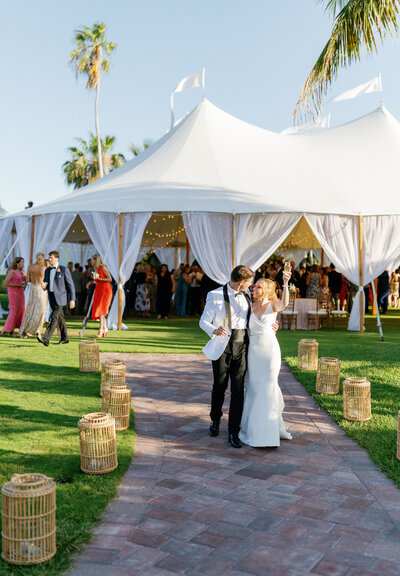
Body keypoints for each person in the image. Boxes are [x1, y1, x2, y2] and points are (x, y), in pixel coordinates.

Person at [200, 265, 278, 449]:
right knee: (219, 386)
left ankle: (233, 431)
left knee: (238, 389)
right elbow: (203, 321)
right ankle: (215, 420)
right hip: (222, 345)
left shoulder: (247, 296)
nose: (252, 287)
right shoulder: (215, 295)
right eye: (250, 283)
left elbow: (261, 313)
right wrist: (214, 329)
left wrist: (272, 326)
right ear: (241, 282)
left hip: (242, 346)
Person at [239, 275, 292, 447]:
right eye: (254, 287)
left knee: (269, 386)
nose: (255, 289)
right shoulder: (248, 306)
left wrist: (285, 283)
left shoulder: (273, 305)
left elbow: (284, 303)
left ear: (268, 290)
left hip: (270, 351)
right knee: (255, 387)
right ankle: (253, 430)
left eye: (259, 287)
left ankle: (269, 434)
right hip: (254, 352)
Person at [37, 250, 75, 346]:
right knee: (60, 318)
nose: (49, 259)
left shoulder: (64, 269)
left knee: (54, 317)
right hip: (51, 296)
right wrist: (43, 286)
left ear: (57, 258)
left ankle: (46, 338)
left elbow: (71, 285)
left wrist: (72, 299)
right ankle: (65, 338)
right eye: (49, 258)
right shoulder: (47, 270)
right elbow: (45, 283)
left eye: (51, 258)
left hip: (61, 297)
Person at [19, 252, 47, 338]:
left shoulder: (30, 267)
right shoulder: (44, 268)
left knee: (30, 309)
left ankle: (25, 330)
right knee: (41, 310)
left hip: (33, 289)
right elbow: (46, 280)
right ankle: (38, 331)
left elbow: (27, 279)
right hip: (41, 289)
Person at [87, 254, 113, 337]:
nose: (91, 261)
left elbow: (110, 279)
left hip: (105, 290)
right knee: (98, 310)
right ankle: (105, 328)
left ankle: (101, 330)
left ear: (96, 260)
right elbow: (96, 280)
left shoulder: (103, 267)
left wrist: (100, 279)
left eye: (92, 260)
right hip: (99, 289)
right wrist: (91, 282)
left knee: (101, 310)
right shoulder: (96, 269)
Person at [1, 257, 26, 336]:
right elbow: (5, 283)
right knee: (14, 310)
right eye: (21, 262)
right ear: (17, 263)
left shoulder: (22, 272)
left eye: (23, 262)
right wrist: (17, 285)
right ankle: (11, 330)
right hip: (13, 293)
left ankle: (20, 328)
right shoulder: (12, 271)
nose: (23, 264)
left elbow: (27, 279)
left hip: (21, 293)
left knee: (21, 310)